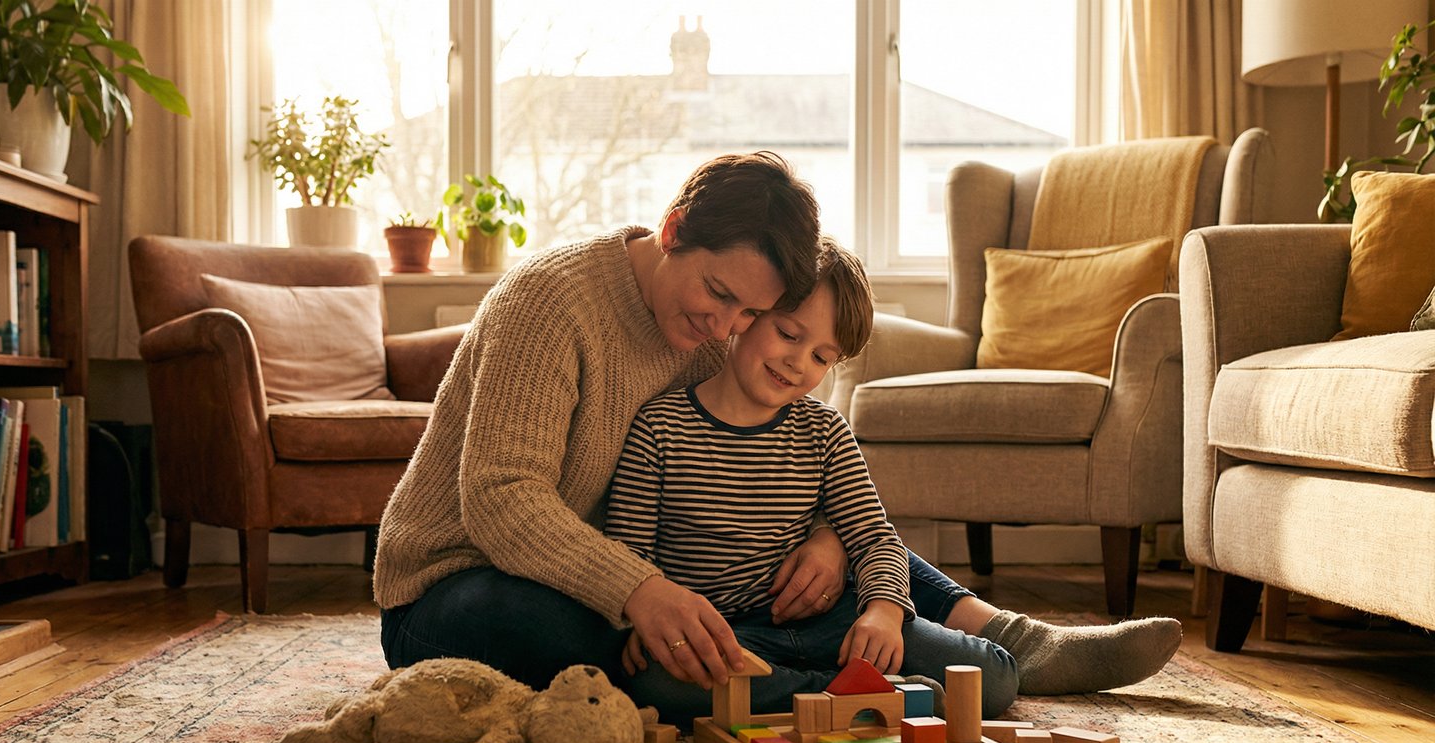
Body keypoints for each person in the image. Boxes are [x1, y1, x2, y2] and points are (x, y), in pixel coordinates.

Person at [374, 150, 1181, 700]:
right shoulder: (548, 304)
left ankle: (1011, 637)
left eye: (754, 312)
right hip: (460, 583)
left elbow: (790, 457)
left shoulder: (708, 332)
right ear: (672, 229)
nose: (730, 326)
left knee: (833, 542)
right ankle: (845, 690)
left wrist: (829, 539)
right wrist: (642, 590)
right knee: (616, 646)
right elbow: (501, 499)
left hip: (619, 570)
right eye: (720, 295)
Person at [607, 238, 1017, 725]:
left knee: (992, 679)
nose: (800, 364)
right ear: (747, 316)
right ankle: (860, 698)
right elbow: (630, 550)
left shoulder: (825, 432)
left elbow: (874, 538)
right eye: (788, 334)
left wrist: (883, 610)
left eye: (822, 358)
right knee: (654, 683)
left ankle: (841, 693)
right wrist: (640, 618)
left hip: (833, 624)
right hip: (727, 636)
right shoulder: (660, 426)